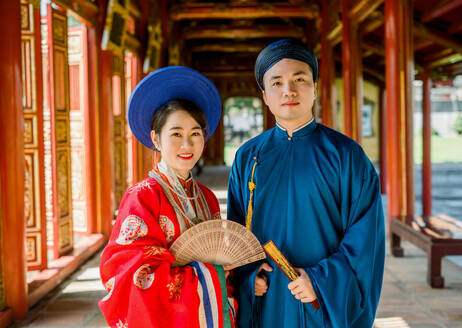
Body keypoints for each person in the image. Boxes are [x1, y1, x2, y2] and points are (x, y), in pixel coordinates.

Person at [227, 38, 385, 327]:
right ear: (264, 95)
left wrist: (321, 279)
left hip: (320, 301)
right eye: (276, 83)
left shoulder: (346, 156)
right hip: (267, 300)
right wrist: (249, 277)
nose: (288, 90)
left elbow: (366, 238)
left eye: (299, 79)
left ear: (314, 88)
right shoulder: (247, 157)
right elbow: (236, 235)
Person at [99, 66, 236, 328]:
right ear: (156, 139)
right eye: (176, 134)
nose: (187, 145)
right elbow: (135, 273)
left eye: (196, 134)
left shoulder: (206, 197)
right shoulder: (142, 197)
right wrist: (209, 274)